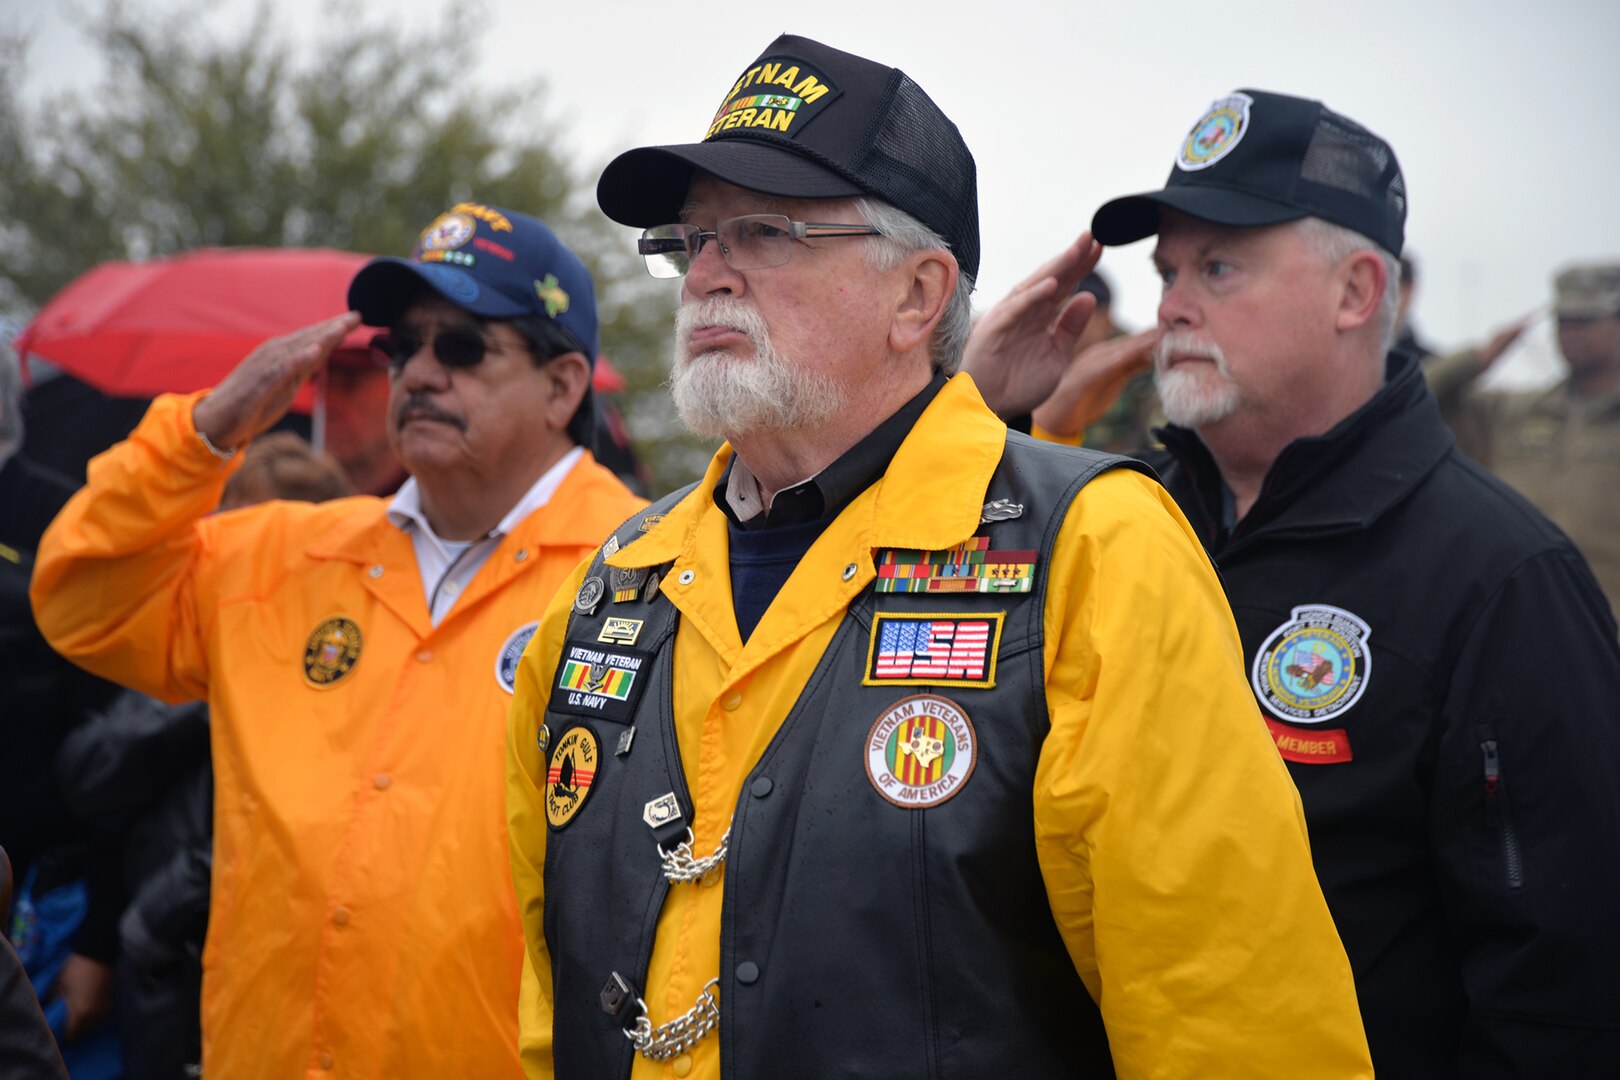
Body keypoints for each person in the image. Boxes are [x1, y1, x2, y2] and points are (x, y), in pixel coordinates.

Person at [505, 36, 1371, 1080]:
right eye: (690, 241)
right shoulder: (612, 589)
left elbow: (1229, 1018)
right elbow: (552, 1010)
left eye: (762, 233)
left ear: (918, 296)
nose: (709, 273)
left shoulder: (1093, 551)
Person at [967, 89, 1620, 1077]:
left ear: (1357, 291)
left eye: (1219, 267)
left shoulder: (1502, 577)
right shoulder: (1114, 521)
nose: (1172, 303)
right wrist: (984, 419)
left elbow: (1563, 987)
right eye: (1169, 270)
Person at [32, 205, 647, 1078]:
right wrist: (202, 433)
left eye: (463, 347)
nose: (420, 373)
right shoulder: (288, 553)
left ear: (563, 386)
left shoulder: (645, 573)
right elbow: (80, 598)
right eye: (403, 348)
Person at [1422, 263, 1620, 619]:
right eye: (1563, 321)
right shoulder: (1516, 413)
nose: (1571, 333)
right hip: (1515, 624)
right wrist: (1479, 358)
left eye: (1586, 320)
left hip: (1605, 633)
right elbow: (1415, 401)